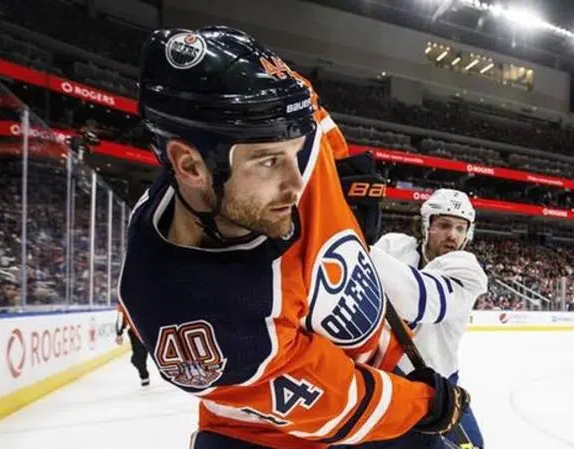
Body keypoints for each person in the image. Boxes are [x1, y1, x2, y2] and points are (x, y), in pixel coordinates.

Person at [117, 26, 469, 449]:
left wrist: (341, 166)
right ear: (190, 166)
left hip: (383, 367)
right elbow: (338, 405)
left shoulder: (275, 130)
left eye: (296, 153)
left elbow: (313, 117)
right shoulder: (193, 315)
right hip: (281, 434)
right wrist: (426, 404)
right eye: (269, 162)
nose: (298, 182)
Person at [355, 188, 488, 449]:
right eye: (444, 225)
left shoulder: (469, 270)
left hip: (438, 386)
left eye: (461, 228)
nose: (453, 235)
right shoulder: (394, 246)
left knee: (474, 445)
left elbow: (419, 301)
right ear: (426, 226)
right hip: (384, 377)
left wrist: (358, 249)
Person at [115, 305, 150, 386]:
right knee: (137, 358)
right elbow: (120, 316)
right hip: (134, 332)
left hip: (147, 329)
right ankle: (144, 374)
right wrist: (119, 333)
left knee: (143, 355)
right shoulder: (124, 301)